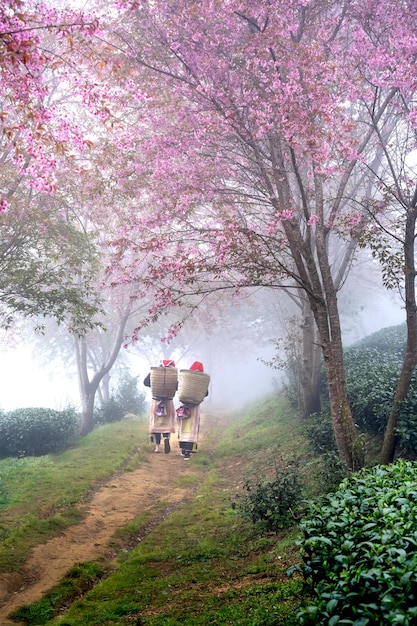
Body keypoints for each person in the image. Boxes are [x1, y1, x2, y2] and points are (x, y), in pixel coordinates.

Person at [176, 361, 208, 460]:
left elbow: (178, 388)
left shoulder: (186, 378)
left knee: (184, 427)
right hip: (194, 408)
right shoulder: (202, 381)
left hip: (184, 406)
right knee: (192, 428)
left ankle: (183, 448)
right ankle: (188, 452)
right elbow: (206, 393)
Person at [144, 360, 177, 453]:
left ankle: (157, 447)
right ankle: (166, 437)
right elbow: (178, 387)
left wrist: (154, 380)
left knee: (156, 424)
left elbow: (145, 382)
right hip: (168, 402)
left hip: (156, 401)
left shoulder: (155, 373)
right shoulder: (173, 375)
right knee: (167, 423)